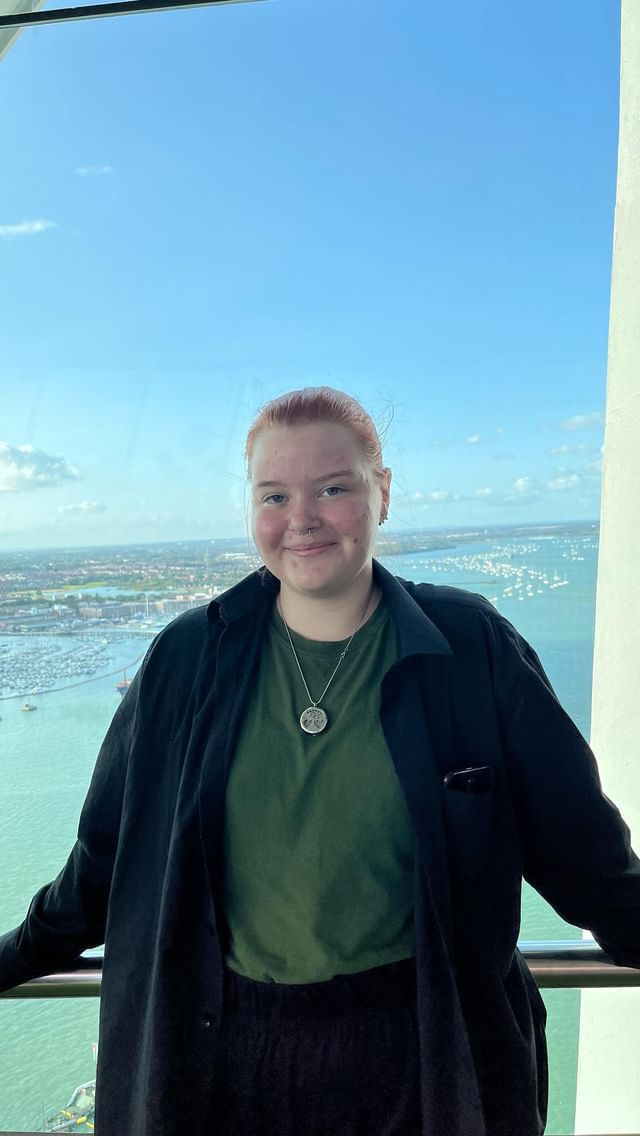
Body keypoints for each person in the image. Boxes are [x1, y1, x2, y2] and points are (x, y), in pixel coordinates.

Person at [1, 385, 640, 1136]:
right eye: (274, 495)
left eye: (333, 488)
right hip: (218, 1056)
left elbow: (581, 851)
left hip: (424, 1054)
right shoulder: (186, 658)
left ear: (382, 492)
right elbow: (108, 853)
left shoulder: (472, 649)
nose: (301, 518)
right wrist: (19, 953)